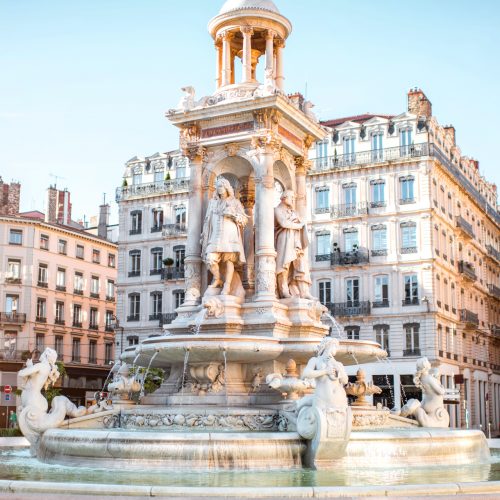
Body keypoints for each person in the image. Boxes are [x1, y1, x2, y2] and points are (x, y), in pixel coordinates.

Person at [201, 177, 248, 296]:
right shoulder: (213, 203)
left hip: (229, 235)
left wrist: (233, 215)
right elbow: (207, 220)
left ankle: (227, 286)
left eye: (221, 187)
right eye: (217, 187)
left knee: (228, 260)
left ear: (227, 188)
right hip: (215, 236)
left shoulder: (234, 202)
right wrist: (204, 234)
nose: (219, 189)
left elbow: (244, 220)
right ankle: (217, 278)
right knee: (210, 259)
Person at [274, 190, 314, 299]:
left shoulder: (293, 212)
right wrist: (298, 225)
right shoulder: (277, 210)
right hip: (284, 238)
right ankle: (283, 290)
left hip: (295, 240)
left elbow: (298, 222)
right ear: (283, 198)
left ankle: (304, 291)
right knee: (284, 264)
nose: (293, 200)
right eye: (291, 197)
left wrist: (299, 223)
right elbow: (283, 223)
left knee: (300, 264)